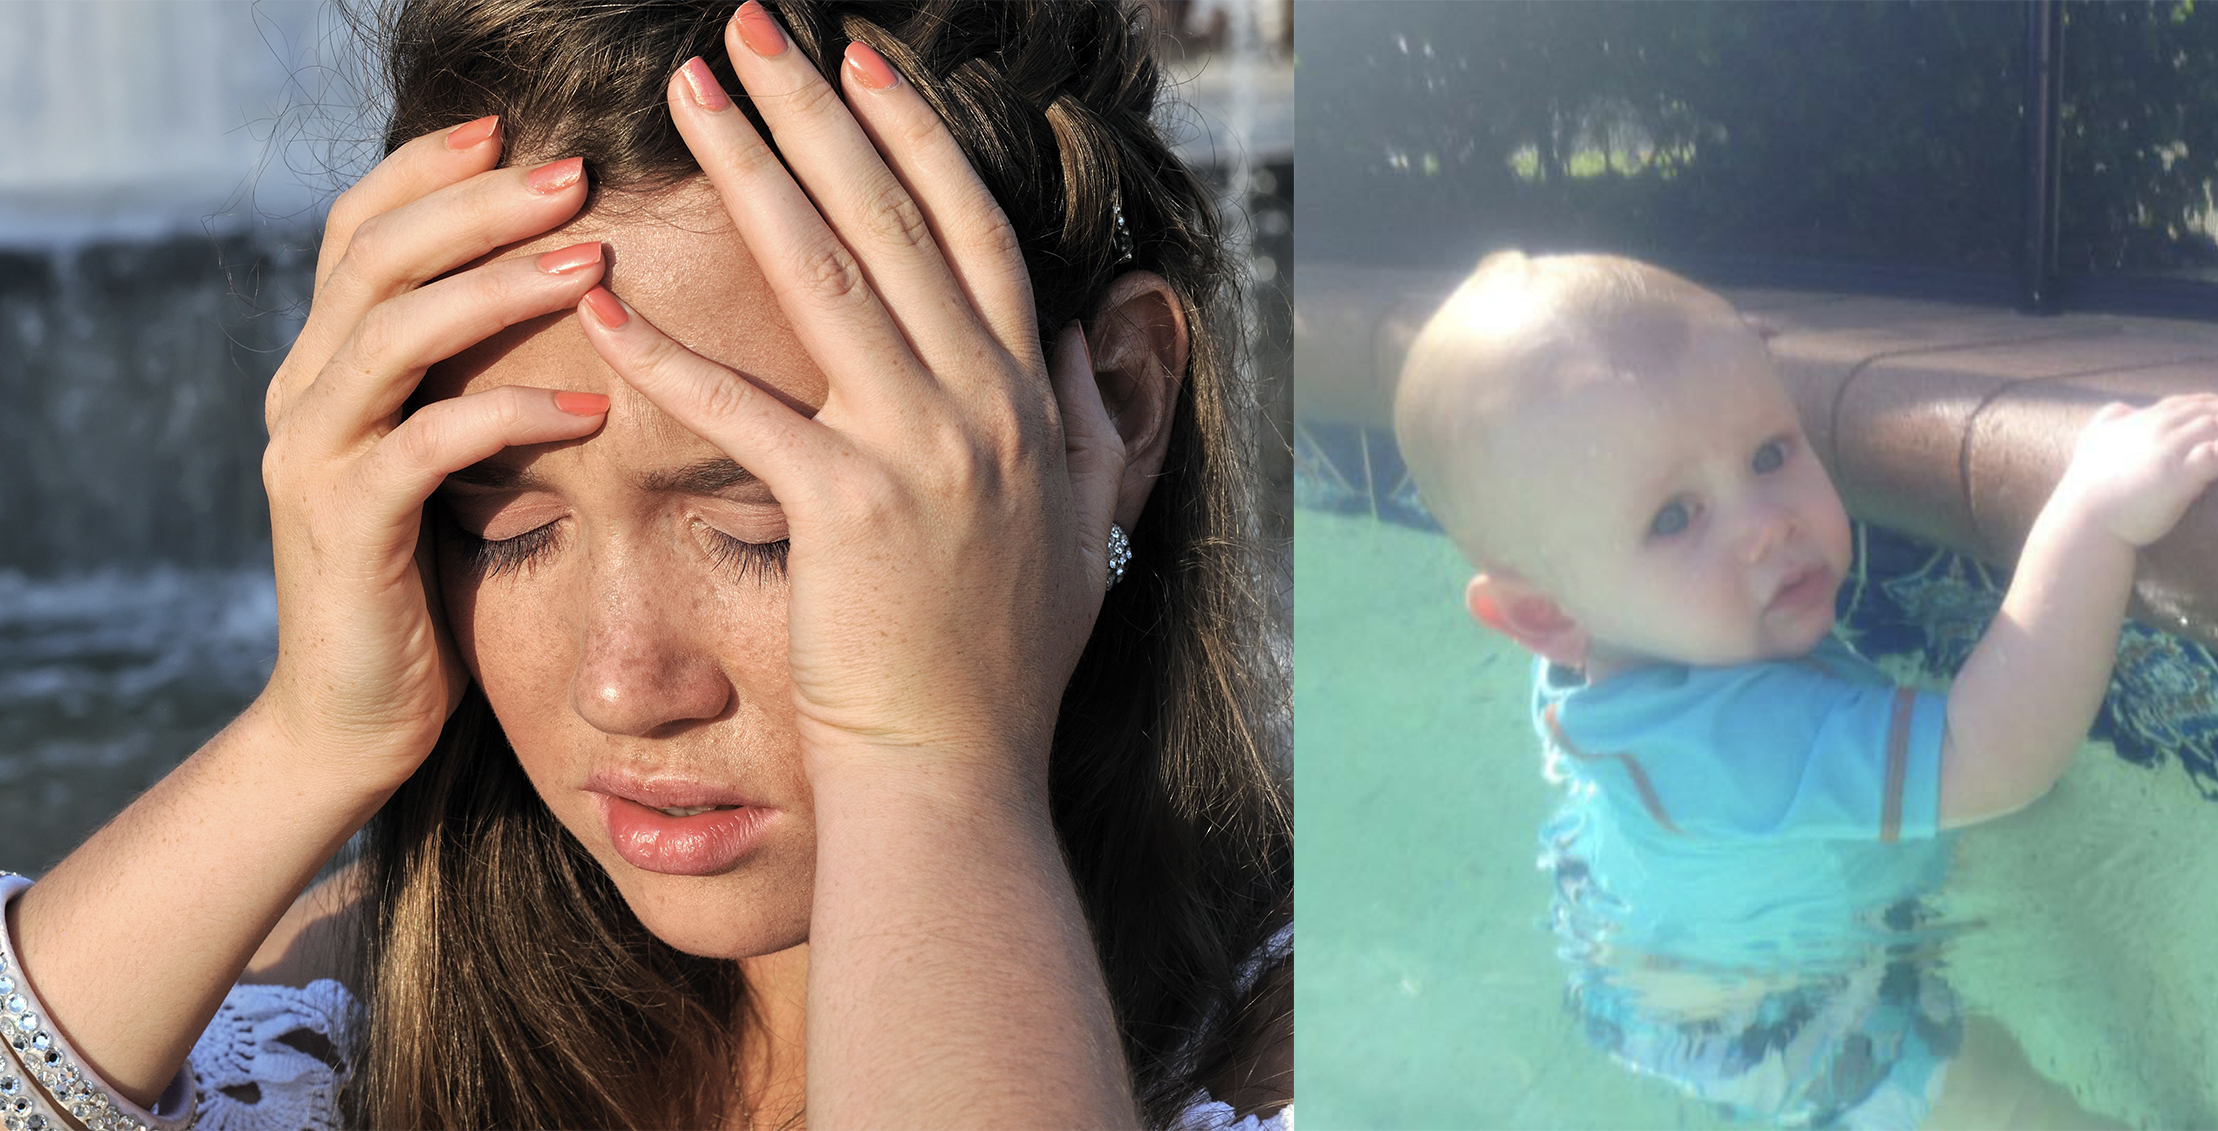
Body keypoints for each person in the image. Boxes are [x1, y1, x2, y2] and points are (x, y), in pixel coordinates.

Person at [0, 2, 1289, 1128]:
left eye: (764, 527)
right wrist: (310, 735)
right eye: (499, 525)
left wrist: (927, 765)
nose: (625, 685)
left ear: (1115, 403)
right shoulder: (330, 990)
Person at [1391, 252, 2218, 1130]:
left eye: (1770, 451)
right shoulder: (1743, 743)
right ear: (1544, 613)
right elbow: (1996, 755)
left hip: (1660, 981)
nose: (1765, 523)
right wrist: (2090, 516)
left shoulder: (1597, 656)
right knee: (2007, 1103)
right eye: (1674, 516)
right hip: (1816, 1041)